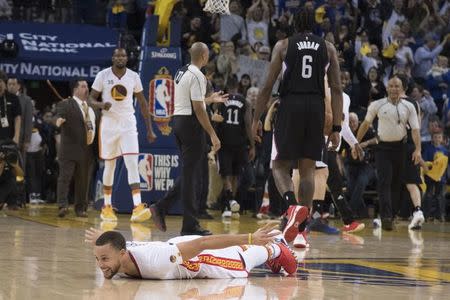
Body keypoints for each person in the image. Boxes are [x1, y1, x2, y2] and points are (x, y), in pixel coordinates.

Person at [252, 8, 343, 244]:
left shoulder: (283, 46)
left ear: (294, 24)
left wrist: (255, 120)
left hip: (291, 104)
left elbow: (266, 86)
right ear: (315, 25)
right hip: (315, 106)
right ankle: (302, 231)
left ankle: (292, 207)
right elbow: (336, 89)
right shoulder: (328, 47)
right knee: (307, 169)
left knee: (279, 166)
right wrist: (336, 127)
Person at [150, 42, 228, 236]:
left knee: (192, 173)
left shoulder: (182, 71)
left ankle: (163, 207)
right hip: (190, 124)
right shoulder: (198, 75)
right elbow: (198, 109)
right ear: (204, 56)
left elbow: (192, 100)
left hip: (178, 121)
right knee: (192, 176)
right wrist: (213, 134)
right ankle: (188, 225)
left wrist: (210, 99)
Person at [84, 222, 297, 279]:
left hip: (196, 257)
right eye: (98, 259)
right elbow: (122, 243)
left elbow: (204, 243)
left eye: (104, 259)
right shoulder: (119, 251)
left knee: (241, 263)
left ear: (121, 255)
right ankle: (276, 236)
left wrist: (251, 238)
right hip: (177, 247)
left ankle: (276, 248)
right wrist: (104, 238)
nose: (100, 265)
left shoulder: (155, 261)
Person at [89, 48, 156, 223]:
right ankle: (107, 207)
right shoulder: (103, 75)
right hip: (109, 124)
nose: (120, 58)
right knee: (110, 165)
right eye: (117, 55)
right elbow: (90, 99)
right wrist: (102, 104)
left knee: (132, 163)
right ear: (113, 58)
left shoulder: (133, 76)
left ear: (127, 58)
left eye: (123, 55)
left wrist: (150, 129)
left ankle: (138, 207)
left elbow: (142, 102)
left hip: (128, 124)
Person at [357, 77, 421, 231]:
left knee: (397, 184)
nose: (394, 89)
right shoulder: (377, 104)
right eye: (391, 86)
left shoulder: (409, 106)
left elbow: (415, 130)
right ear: (387, 88)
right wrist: (356, 142)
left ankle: (391, 215)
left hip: (401, 148)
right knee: (385, 181)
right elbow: (365, 124)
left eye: (397, 86)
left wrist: (418, 149)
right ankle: (386, 217)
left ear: (401, 88)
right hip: (383, 149)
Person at [214, 76, 255, 218]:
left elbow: (216, 121)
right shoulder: (246, 102)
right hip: (240, 143)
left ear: (226, 85)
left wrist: (214, 141)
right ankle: (232, 203)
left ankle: (228, 203)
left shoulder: (221, 100)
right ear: (238, 86)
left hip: (224, 142)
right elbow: (248, 125)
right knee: (236, 175)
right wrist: (252, 145)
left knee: (226, 175)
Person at [55, 79, 96, 218]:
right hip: (69, 150)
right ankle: (62, 206)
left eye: (87, 86)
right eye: (83, 86)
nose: (87, 89)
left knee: (83, 182)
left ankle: (80, 208)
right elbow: (59, 115)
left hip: (86, 151)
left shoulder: (90, 108)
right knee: (65, 178)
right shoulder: (66, 104)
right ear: (75, 89)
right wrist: (58, 120)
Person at [6, 78, 33, 164]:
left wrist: (27, 140)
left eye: (13, 84)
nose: (11, 86)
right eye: (9, 84)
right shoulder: (3, 98)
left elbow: (28, 121)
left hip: (20, 137)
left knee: (19, 162)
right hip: (5, 135)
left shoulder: (26, 100)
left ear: (19, 86)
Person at [0, 71, 21, 145]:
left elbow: (17, 118)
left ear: (4, 83)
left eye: (0, 81)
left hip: (8, 138)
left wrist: (16, 136)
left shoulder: (13, 98)